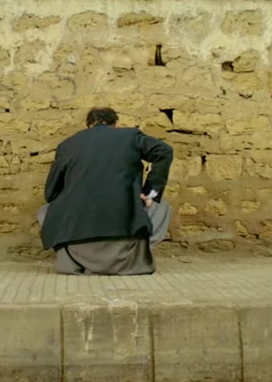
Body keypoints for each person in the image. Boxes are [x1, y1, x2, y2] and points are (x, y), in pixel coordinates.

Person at [37, 107, 174, 275]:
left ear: (89, 125)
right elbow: (164, 151)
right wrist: (151, 193)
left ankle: (73, 260)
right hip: (127, 257)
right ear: (115, 124)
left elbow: (51, 194)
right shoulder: (131, 136)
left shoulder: (67, 145)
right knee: (161, 206)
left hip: (75, 257)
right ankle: (139, 253)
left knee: (45, 210)